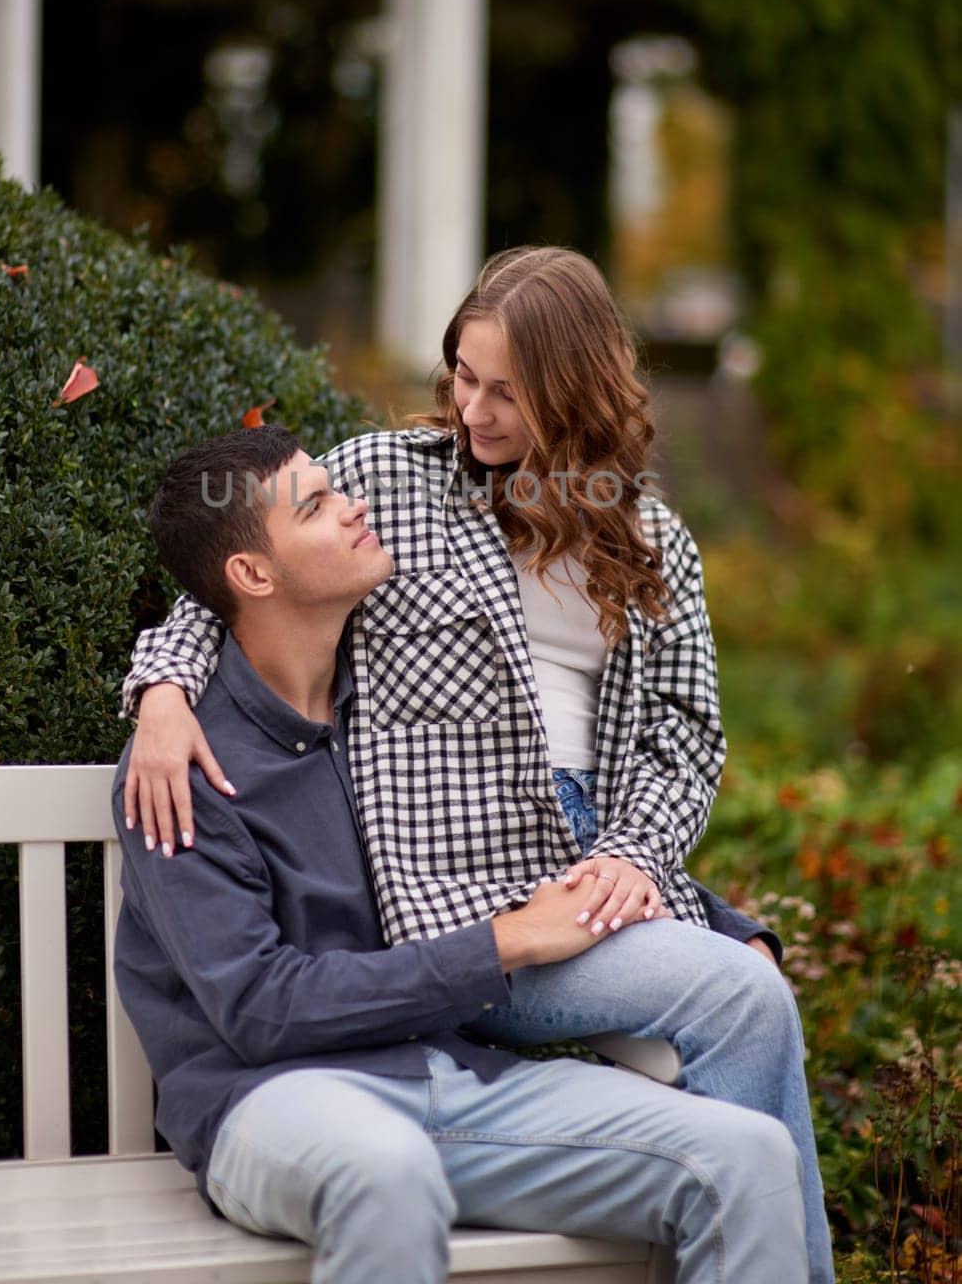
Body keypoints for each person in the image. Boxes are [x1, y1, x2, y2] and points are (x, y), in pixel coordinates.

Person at [121, 246, 834, 1281]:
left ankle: (734, 1235)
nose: (476, 410)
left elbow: (684, 733)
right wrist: (163, 693)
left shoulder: (654, 537)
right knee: (741, 997)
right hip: (463, 897)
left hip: (598, 860)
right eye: (463, 375)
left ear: (575, 387)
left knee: (750, 995)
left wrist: (639, 856)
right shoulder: (385, 487)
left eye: (509, 390)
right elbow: (228, 582)